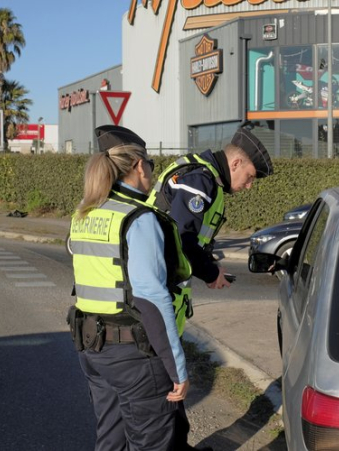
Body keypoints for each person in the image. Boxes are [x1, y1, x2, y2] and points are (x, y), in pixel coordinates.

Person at [67, 125, 200, 450]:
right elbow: (152, 301)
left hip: (92, 351)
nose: (154, 171)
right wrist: (177, 369)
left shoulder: (83, 214)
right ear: (139, 165)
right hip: (134, 358)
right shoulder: (138, 219)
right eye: (152, 164)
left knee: (111, 440)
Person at [149, 122, 274, 290]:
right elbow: (181, 238)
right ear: (236, 164)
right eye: (249, 176)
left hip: (161, 275)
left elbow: (192, 238)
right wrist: (211, 273)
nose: (249, 185)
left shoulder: (206, 178)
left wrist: (211, 264)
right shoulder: (200, 182)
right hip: (158, 279)